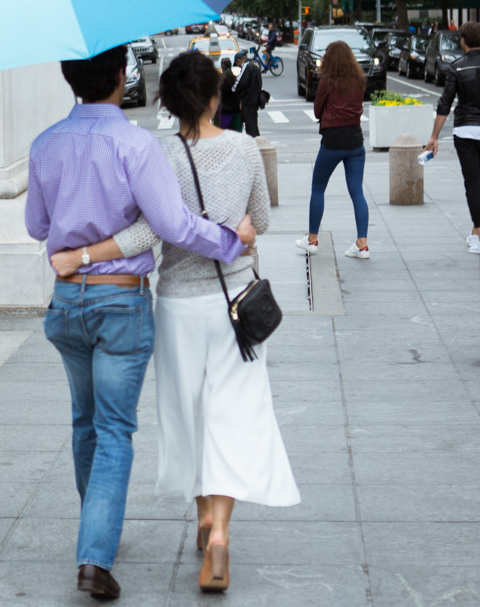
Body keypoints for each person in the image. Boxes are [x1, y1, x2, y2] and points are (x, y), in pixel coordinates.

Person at [50, 50, 299, 594]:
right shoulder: (244, 148)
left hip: (179, 304)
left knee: (188, 413)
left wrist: (84, 255)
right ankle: (219, 537)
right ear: (215, 96)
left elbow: (151, 232)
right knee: (233, 412)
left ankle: (196, 515)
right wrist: (237, 234)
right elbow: (263, 220)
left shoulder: (155, 152)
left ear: (167, 99)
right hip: (236, 299)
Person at [425, 21, 480, 254]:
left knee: (473, 182)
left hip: (465, 130)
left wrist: (434, 136)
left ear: (462, 40)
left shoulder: (457, 67)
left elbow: (445, 103)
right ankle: (476, 231)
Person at [295, 41, 372, 259]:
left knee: (318, 188)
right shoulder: (359, 80)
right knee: (357, 192)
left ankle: (312, 240)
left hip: (332, 142)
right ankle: (362, 244)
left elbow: (318, 111)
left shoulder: (327, 82)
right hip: (356, 142)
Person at [234, 53, 264, 137]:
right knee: (253, 124)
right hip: (255, 100)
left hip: (248, 101)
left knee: (250, 126)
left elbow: (239, 83)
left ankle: (254, 143)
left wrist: (234, 90)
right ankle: (256, 141)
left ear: (239, 60)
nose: (238, 66)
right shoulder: (254, 66)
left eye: (237, 64)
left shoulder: (246, 66)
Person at [218, 57, 242, 131]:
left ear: (223, 66)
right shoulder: (235, 79)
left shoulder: (219, 79)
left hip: (223, 111)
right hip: (235, 111)